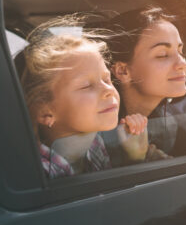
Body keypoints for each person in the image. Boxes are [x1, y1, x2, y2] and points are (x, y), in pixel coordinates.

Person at [20, 18, 149, 178]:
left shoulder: (94, 144)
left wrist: (134, 158)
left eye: (107, 79)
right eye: (86, 86)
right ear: (45, 112)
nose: (109, 89)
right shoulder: (37, 175)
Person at [102, 7, 186, 162]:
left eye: (181, 51)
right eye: (162, 55)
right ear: (123, 71)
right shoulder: (98, 139)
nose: (182, 63)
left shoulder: (169, 127)